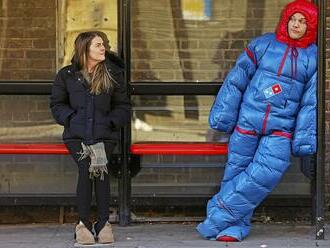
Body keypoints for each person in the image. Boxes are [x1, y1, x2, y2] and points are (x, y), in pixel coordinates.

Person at [197, 0, 317, 242]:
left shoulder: (313, 58)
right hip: (246, 124)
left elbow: (310, 104)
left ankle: (217, 214)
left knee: (267, 171)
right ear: (286, 19)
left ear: (310, 26)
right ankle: (234, 227)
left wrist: (304, 138)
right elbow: (236, 81)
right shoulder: (262, 45)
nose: (296, 24)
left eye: (303, 21)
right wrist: (223, 115)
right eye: (293, 19)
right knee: (236, 172)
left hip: (280, 129)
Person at [50, 31, 130, 245]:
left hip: (104, 135)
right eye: (98, 45)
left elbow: (123, 107)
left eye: (103, 44)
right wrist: (72, 119)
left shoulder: (112, 74)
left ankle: (103, 225)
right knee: (86, 169)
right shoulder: (66, 75)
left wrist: (110, 122)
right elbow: (57, 105)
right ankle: (83, 225)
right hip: (77, 136)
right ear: (85, 49)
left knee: (101, 172)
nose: (103, 48)